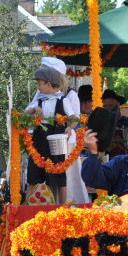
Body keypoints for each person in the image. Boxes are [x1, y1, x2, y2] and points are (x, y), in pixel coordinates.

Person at [24, 65, 78, 204]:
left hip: (56, 141)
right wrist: (34, 109)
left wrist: (70, 128)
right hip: (38, 141)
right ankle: (28, 206)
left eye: (39, 84)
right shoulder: (39, 99)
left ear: (48, 84)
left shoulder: (63, 100)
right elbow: (25, 113)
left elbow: (74, 118)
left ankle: (62, 206)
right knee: (33, 175)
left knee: (58, 176)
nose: (38, 87)